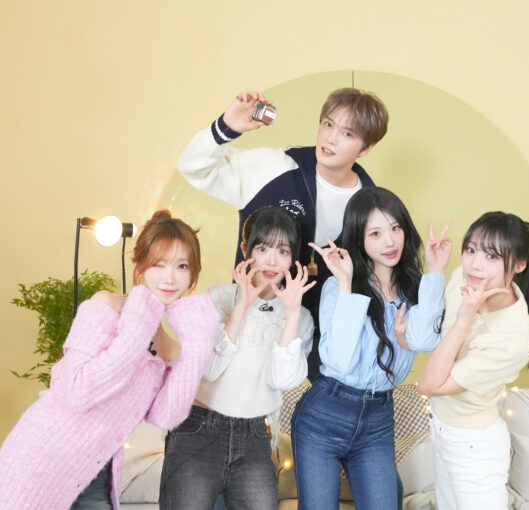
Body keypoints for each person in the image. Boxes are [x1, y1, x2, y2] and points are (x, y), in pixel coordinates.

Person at [0, 210, 220, 510]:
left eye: (182, 266)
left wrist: (196, 349)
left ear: (193, 274)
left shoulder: (171, 349)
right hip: (43, 458)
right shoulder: (105, 306)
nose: (170, 277)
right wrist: (137, 327)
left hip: (98, 473)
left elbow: (165, 417)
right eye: (158, 264)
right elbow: (77, 391)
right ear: (139, 268)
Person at [177, 87, 389, 382]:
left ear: (366, 148)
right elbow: (192, 167)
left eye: (347, 134)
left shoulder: (372, 207)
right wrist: (226, 127)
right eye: (328, 124)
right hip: (249, 333)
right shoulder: (274, 167)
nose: (330, 138)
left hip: (322, 350)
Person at [290, 187, 452, 509]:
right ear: (359, 238)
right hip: (324, 416)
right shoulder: (338, 286)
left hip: (377, 421)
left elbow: (423, 341)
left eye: (395, 228)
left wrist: (436, 272)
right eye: (375, 233)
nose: (389, 241)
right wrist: (347, 286)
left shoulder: (415, 288)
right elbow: (340, 360)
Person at [159, 206, 315, 510]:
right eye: (262, 248)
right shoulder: (216, 299)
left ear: (293, 258)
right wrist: (242, 306)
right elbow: (209, 369)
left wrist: (293, 313)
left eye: (283, 251)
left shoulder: (302, 318)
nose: (272, 260)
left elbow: (281, 379)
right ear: (245, 250)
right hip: (198, 428)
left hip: (254, 436)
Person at [417, 211, 529, 510]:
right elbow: (431, 336)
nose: (475, 264)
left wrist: (464, 320)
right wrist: (436, 269)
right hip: (441, 428)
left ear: (519, 265)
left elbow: (429, 385)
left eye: (492, 256)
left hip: (473, 447)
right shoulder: (462, 279)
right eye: (471, 249)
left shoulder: (513, 338)